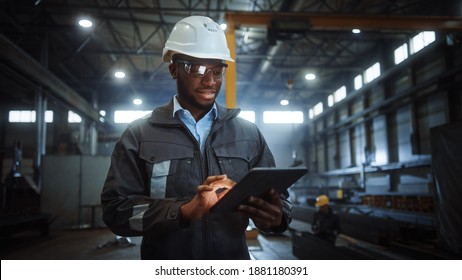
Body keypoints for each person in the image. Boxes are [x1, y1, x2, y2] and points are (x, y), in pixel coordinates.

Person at [101, 15, 292, 260]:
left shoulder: (248, 134)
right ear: (174, 70)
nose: (210, 80)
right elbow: (116, 211)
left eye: (217, 70)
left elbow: (280, 200)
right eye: (197, 68)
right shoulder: (140, 134)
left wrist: (277, 218)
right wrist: (182, 211)